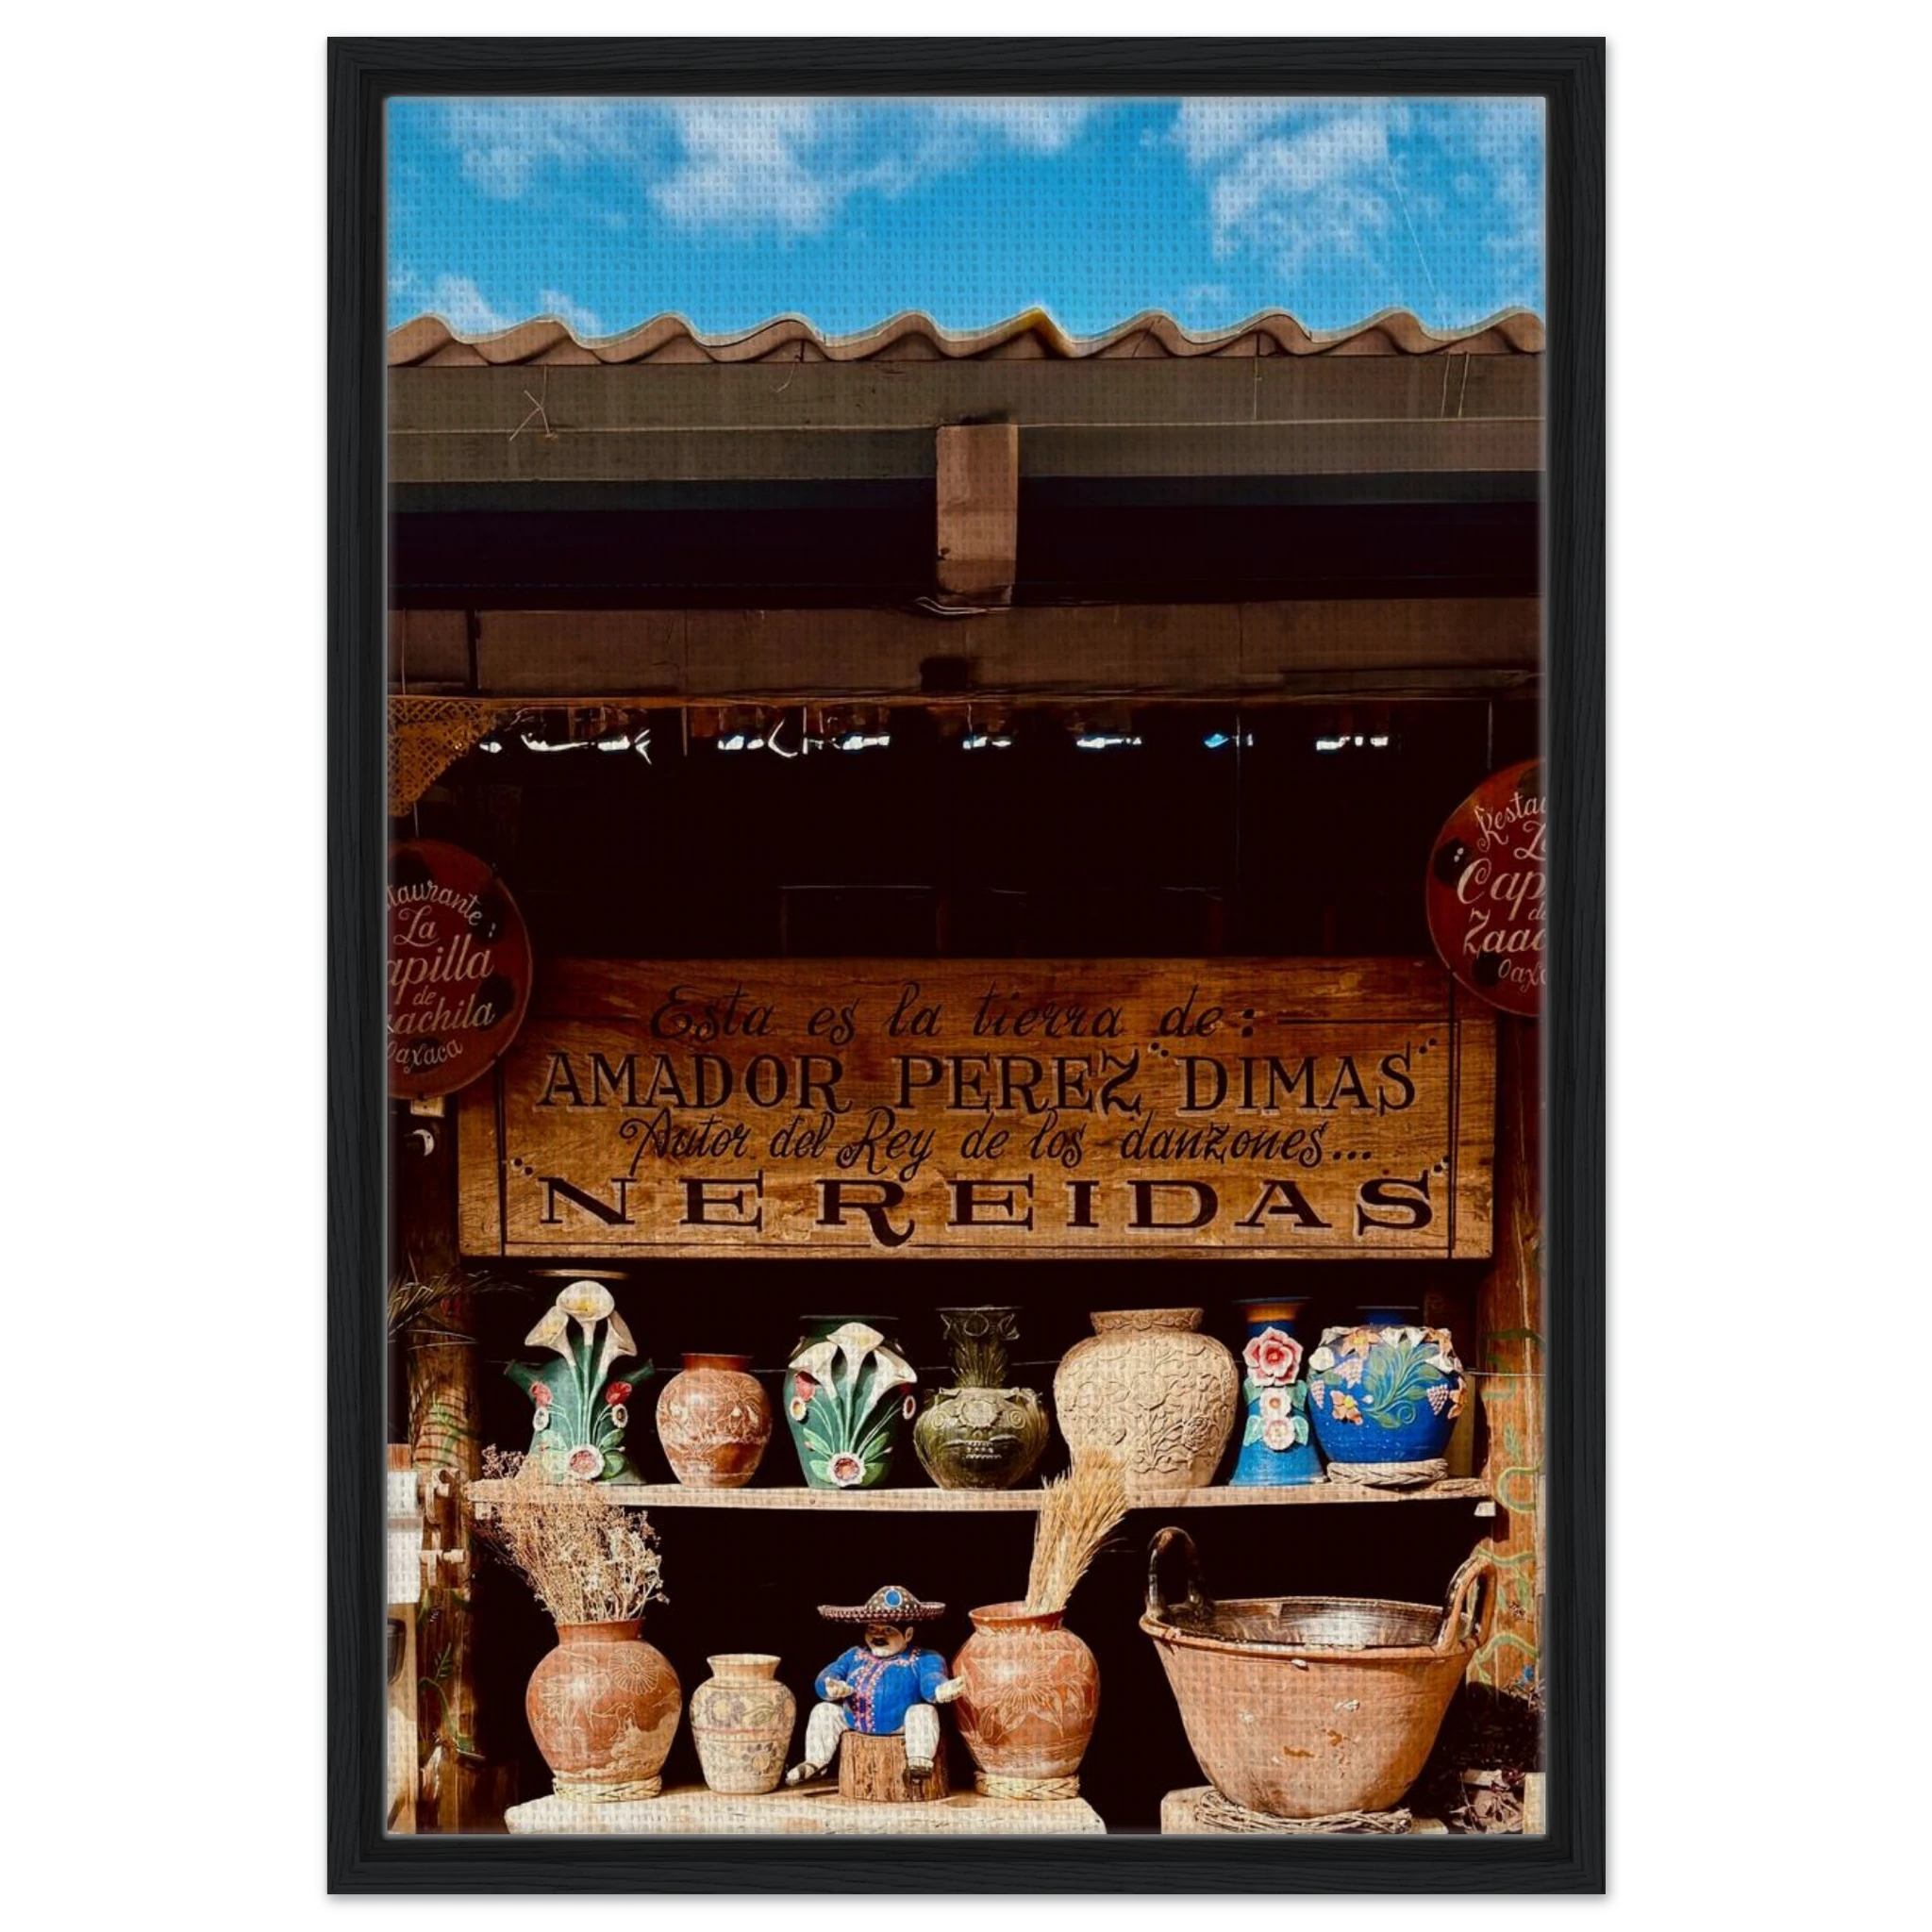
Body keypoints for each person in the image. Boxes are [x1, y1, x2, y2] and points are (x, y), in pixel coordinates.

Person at [785, 1584, 963, 1785]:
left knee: (923, 1712)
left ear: (908, 1634)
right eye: (872, 1628)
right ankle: (816, 1761)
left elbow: (932, 1679)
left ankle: (919, 1761)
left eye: (888, 1630)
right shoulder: (854, 1655)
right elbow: (830, 1673)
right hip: (853, 1720)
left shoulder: (924, 1658)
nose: (878, 1635)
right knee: (823, 1711)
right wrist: (830, 1686)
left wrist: (940, 1690)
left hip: (900, 1725)